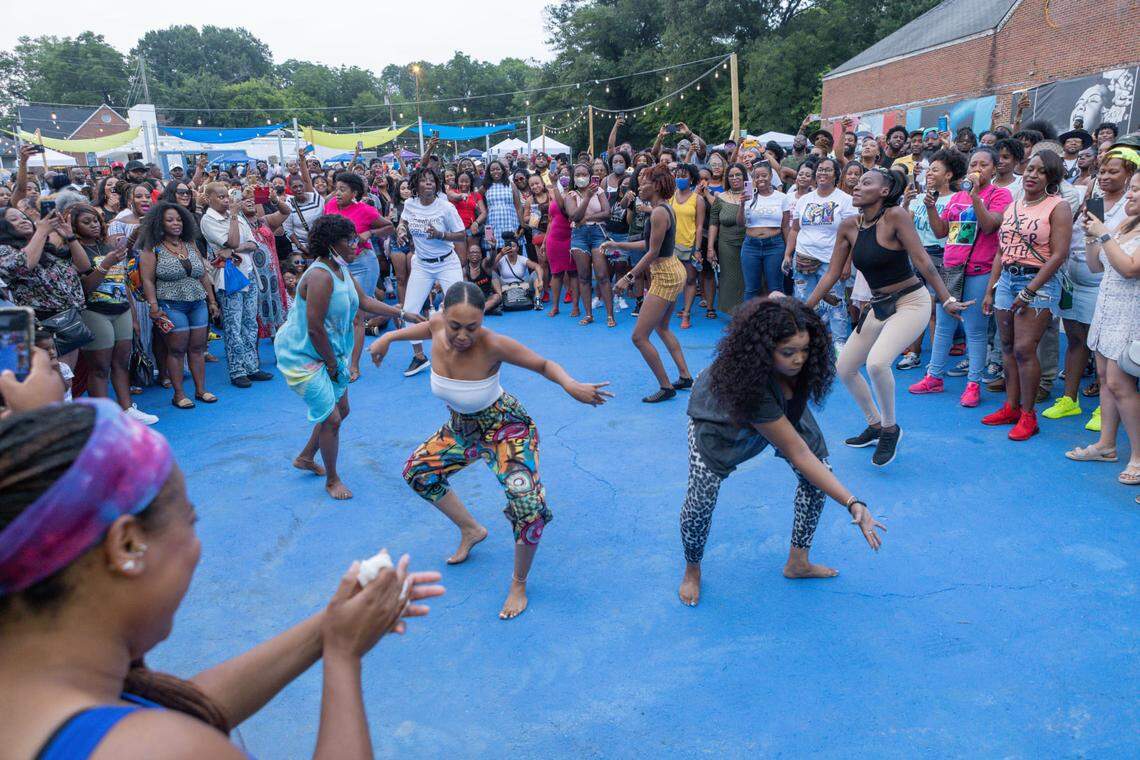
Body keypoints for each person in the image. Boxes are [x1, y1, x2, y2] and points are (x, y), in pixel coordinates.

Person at [0, 391, 444, 758]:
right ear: (129, 545)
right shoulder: (161, 749)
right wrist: (343, 657)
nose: (197, 545)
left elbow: (172, 708)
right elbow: (165, 735)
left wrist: (327, 628)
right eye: (190, 522)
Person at [370, 281, 612, 619]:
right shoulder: (438, 325)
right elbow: (425, 327)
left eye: (473, 326)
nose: (463, 335)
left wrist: (570, 383)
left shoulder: (492, 344)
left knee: (527, 505)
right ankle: (471, 529)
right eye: (456, 326)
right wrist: (385, 338)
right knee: (418, 473)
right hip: (462, 429)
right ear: (444, 317)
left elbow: (543, 364)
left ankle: (519, 582)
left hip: (505, 429)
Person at [677, 297, 885, 606]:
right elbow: (797, 451)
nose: (799, 359)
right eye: (788, 352)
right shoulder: (752, 386)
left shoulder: (796, 365)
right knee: (700, 502)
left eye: (805, 350)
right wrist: (852, 502)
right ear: (763, 350)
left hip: (782, 412)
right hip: (721, 423)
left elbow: (775, 299)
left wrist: (851, 502)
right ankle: (692, 569)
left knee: (818, 479)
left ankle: (798, 562)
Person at [807, 169, 968, 466]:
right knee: (845, 367)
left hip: (911, 302)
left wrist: (946, 299)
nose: (857, 185)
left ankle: (891, 428)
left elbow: (922, 260)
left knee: (878, 363)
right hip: (878, 306)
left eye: (866, 182)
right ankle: (875, 423)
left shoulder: (895, 216)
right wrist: (805, 308)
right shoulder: (848, 226)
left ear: (884, 191)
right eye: (856, 181)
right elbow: (832, 273)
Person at [275, 215, 420, 500]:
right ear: (331, 244)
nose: (356, 244)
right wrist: (332, 366)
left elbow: (364, 301)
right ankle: (332, 480)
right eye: (349, 240)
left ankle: (306, 457)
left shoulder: (341, 268)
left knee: (342, 410)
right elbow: (315, 328)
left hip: (329, 351)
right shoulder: (319, 276)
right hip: (303, 356)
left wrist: (402, 312)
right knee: (332, 420)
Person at [981, 151, 1074, 440]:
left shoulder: (1058, 207)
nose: (1033, 175)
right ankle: (1010, 406)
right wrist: (990, 289)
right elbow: (1001, 250)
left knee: (1023, 349)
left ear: (1052, 178)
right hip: (1006, 280)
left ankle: (1028, 414)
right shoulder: (1014, 205)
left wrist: (1029, 290)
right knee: (1006, 345)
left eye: (1041, 171)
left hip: (1038, 282)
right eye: (1030, 169)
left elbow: (1059, 255)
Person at [910, 147, 1012, 404]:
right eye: (973, 164)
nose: (977, 169)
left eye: (983, 165)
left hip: (980, 269)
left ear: (994, 168)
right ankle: (934, 376)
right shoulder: (956, 198)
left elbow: (989, 225)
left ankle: (973, 384)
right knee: (944, 325)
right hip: (951, 268)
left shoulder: (1000, 195)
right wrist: (932, 208)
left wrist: (976, 196)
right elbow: (941, 231)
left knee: (975, 330)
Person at [1044, 149, 1135, 424]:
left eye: (1113, 171)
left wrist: (1100, 232)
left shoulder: (1131, 210)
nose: (1105, 177)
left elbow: (1122, 258)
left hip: (1106, 286)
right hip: (1074, 278)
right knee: (1075, 340)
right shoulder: (1091, 201)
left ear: (1130, 175)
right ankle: (1070, 399)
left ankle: (1103, 409)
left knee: (1106, 351)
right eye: (1102, 171)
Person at [1064, 169, 1140, 487]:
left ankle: (1137, 457)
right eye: (1132, 189)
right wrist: (1094, 237)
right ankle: (1106, 445)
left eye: (1137, 190)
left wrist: (1104, 234)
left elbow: (1129, 269)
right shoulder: (1126, 223)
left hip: (1131, 315)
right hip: (1107, 311)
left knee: (1122, 385)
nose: (1131, 195)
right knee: (1107, 382)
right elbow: (1097, 266)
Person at [602, 164, 694, 402]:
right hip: (672, 269)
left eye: (644, 181)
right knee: (662, 328)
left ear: (657, 185)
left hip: (665, 274)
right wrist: (618, 245)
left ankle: (666, 386)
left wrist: (628, 276)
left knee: (639, 337)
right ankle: (684, 377)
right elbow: (650, 245)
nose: (639, 185)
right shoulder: (662, 209)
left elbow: (652, 252)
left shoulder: (659, 212)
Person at [69, 203, 156, 423]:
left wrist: (134, 316)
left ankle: (126, 409)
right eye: (86, 222)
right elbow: (85, 288)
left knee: (121, 363)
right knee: (99, 367)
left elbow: (124, 282)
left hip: (122, 309)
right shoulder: (76, 251)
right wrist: (106, 264)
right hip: (95, 311)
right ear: (74, 226)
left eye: (96, 221)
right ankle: (103, 417)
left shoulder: (109, 246)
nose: (94, 226)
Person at [137, 202, 220, 410]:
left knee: (198, 348)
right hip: (170, 304)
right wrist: (154, 306)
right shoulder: (152, 248)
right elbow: (147, 280)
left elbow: (202, 274)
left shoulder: (190, 243)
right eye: (170, 219)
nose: (176, 223)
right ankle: (179, 394)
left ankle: (201, 390)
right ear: (159, 223)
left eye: (179, 219)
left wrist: (211, 301)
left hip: (197, 303)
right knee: (176, 349)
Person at [393, 164, 467, 377]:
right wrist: (400, 231)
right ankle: (419, 357)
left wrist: (440, 235)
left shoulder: (446, 207)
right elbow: (403, 222)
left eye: (432, 181)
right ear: (416, 184)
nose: (429, 183)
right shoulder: (410, 203)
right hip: (422, 264)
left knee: (459, 307)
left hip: (447, 263)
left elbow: (461, 234)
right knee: (409, 310)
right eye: (425, 180)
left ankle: (460, 353)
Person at [199, 183, 272, 389]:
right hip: (229, 279)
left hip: (248, 274)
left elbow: (252, 244)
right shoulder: (209, 219)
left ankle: (252, 366)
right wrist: (232, 222)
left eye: (226, 196)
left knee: (250, 323)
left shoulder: (239, 216)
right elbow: (230, 242)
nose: (226, 200)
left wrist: (233, 248)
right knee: (233, 325)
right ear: (209, 198)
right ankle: (237, 370)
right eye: (221, 196)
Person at [323, 171, 393, 382]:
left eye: (343, 189)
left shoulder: (366, 210)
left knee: (357, 316)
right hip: (338, 265)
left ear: (354, 192)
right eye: (336, 188)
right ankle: (336, 360)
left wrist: (370, 234)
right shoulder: (330, 207)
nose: (338, 193)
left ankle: (354, 365)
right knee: (335, 313)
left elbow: (389, 227)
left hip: (363, 264)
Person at [0, 208, 87, 372]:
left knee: (66, 379)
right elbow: (23, 265)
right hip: (42, 327)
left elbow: (83, 266)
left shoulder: (46, 247)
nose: (23, 220)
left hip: (69, 321)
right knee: (51, 379)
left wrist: (69, 235)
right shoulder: (4, 250)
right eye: (14, 219)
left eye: (24, 217)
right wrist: (41, 231)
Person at [783, 158, 856, 347]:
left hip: (832, 261)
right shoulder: (804, 200)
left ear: (836, 174)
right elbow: (795, 230)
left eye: (828, 170)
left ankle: (839, 342)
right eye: (820, 170)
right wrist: (788, 254)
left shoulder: (846, 201)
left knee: (835, 302)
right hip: (803, 259)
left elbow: (851, 236)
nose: (822, 173)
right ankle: (806, 340)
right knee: (804, 302)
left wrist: (847, 263)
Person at [565, 163, 614, 326]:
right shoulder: (570, 195)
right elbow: (574, 217)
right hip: (579, 236)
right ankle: (588, 314)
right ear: (573, 177)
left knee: (602, 275)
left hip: (598, 233)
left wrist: (587, 219)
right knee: (584, 276)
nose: (581, 177)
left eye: (584, 174)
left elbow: (607, 213)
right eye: (577, 174)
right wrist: (586, 198)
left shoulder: (599, 191)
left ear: (590, 175)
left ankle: (609, 314)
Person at [738, 163, 792, 301]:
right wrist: (742, 204)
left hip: (775, 246)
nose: (760, 179)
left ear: (771, 177)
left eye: (764, 175)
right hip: (751, 246)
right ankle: (748, 321)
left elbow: (786, 226)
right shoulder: (749, 196)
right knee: (751, 288)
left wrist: (788, 253)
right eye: (756, 176)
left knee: (776, 288)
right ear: (753, 179)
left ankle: (778, 321)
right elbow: (740, 223)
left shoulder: (782, 197)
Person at [706, 163, 749, 313]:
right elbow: (713, 223)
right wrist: (711, 248)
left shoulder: (753, 195)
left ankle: (750, 311)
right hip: (727, 245)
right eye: (731, 175)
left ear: (744, 176)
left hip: (749, 244)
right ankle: (733, 313)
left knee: (749, 278)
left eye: (738, 174)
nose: (735, 178)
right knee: (730, 279)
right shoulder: (721, 198)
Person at [669, 163, 704, 328]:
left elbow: (699, 226)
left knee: (690, 280)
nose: (680, 178)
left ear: (691, 178)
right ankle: (669, 311)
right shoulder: (670, 196)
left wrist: (697, 249)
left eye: (684, 175)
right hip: (671, 245)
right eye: (677, 175)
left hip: (689, 245)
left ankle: (687, 314)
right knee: (673, 280)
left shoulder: (698, 199)